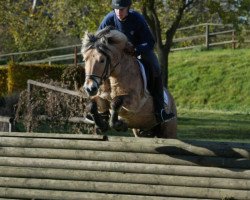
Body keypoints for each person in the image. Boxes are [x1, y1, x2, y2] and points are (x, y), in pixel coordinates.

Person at [98, 0, 175, 123]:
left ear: (128, 7)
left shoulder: (137, 18)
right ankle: (98, 101)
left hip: (138, 50)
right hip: (117, 55)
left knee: (156, 67)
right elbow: (98, 37)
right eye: (116, 9)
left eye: (122, 9)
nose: (118, 12)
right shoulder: (109, 18)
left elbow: (150, 42)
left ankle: (160, 110)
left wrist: (136, 49)